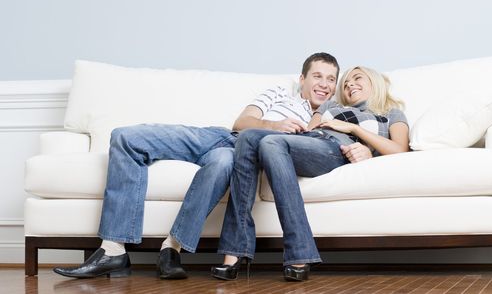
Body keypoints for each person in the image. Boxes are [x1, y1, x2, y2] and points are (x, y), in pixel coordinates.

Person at [52, 52, 364, 279]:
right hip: (222, 137)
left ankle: (171, 247)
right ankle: (113, 248)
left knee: (219, 166)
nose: (324, 84)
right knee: (125, 137)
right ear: (302, 79)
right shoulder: (279, 94)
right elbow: (242, 122)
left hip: (238, 156)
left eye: (331, 79)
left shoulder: (328, 115)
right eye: (318, 76)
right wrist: (274, 124)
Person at [212, 65, 410, 281]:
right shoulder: (330, 105)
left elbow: (400, 149)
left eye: (357, 79)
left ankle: (299, 252)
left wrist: (356, 133)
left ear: (374, 82)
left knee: (271, 142)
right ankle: (234, 252)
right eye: (345, 83)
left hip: (335, 149)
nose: (350, 84)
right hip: (311, 142)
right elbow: (309, 131)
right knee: (248, 136)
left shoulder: (390, 113)